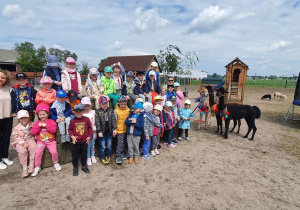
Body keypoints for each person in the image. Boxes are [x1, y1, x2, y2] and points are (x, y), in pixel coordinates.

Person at [31, 105, 61, 177]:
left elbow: (53, 131)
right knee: (38, 152)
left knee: (54, 151)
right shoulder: (37, 123)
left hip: (50, 141)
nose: (42, 116)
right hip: (41, 141)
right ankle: (37, 166)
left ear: (47, 114)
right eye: (40, 114)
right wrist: (39, 126)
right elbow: (33, 132)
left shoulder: (51, 122)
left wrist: (46, 126)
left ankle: (56, 162)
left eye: (44, 114)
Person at [68, 103, 93, 176]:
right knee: (75, 154)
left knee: (84, 154)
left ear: (83, 111)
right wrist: (72, 136)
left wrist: (89, 136)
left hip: (84, 140)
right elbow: (70, 130)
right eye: (77, 112)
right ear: (74, 112)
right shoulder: (72, 120)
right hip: (75, 141)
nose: (78, 113)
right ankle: (75, 167)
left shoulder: (86, 119)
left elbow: (90, 128)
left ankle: (84, 166)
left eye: (80, 111)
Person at [11, 110, 37, 177]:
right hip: (20, 142)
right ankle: (24, 167)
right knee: (22, 151)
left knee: (33, 146)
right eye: (21, 118)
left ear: (28, 118)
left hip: (30, 139)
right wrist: (22, 143)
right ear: (19, 119)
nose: (24, 120)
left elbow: (35, 133)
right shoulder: (16, 128)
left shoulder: (32, 124)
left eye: (25, 118)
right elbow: (16, 137)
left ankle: (31, 163)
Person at [95, 96, 117, 164]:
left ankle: (108, 155)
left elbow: (113, 120)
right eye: (102, 104)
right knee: (102, 146)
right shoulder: (98, 111)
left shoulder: (111, 110)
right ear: (99, 104)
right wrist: (99, 131)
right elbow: (97, 122)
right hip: (102, 132)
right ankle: (102, 156)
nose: (104, 105)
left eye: (105, 103)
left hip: (109, 131)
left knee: (109, 145)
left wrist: (114, 129)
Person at [0, 69, 14, 169]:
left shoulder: (8, 89)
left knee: (6, 138)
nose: (0, 79)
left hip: (7, 117)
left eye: (3, 77)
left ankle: (5, 156)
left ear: (6, 79)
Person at [81, 97, 97, 166]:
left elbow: (96, 122)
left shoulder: (93, 112)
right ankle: (88, 157)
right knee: (87, 145)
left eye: (88, 106)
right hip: (85, 133)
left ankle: (92, 155)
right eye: (84, 106)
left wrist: (94, 128)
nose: (86, 107)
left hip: (92, 131)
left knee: (92, 144)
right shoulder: (81, 114)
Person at [114, 96, 130, 164]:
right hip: (119, 130)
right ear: (118, 103)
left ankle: (122, 152)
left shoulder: (128, 110)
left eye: (125, 104)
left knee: (124, 143)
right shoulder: (116, 111)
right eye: (122, 104)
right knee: (120, 143)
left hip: (126, 129)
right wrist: (115, 129)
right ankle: (118, 155)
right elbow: (114, 121)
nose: (123, 106)